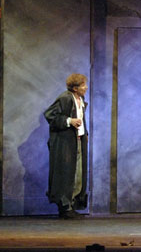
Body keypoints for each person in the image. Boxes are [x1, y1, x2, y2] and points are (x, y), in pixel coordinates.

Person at [44, 73, 88, 219]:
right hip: (66, 143)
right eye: (83, 85)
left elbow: (81, 119)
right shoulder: (65, 98)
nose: (86, 87)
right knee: (66, 173)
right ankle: (64, 207)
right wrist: (69, 121)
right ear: (75, 88)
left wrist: (85, 134)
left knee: (78, 173)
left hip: (78, 140)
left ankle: (72, 205)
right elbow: (50, 115)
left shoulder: (80, 99)